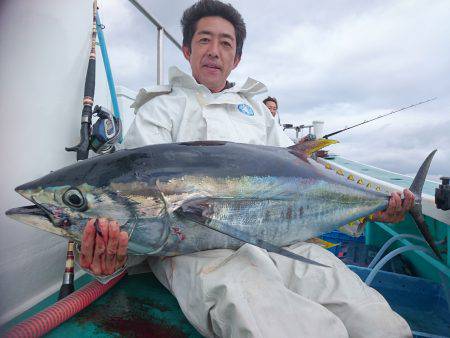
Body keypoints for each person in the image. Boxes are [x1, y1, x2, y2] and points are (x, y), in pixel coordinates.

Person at [78, 1, 415, 337]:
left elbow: (301, 175)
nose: (214, 51)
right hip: (200, 256)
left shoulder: (257, 113)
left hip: (288, 243)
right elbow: (138, 210)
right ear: (186, 49)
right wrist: (114, 256)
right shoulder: (159, 112)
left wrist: (371, 211)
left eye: (226, 43)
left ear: (236, 58)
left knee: (379, 325)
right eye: (204, 40)